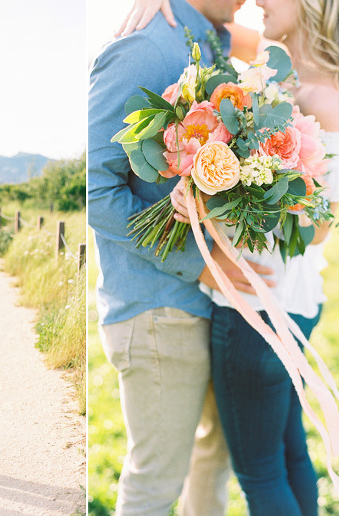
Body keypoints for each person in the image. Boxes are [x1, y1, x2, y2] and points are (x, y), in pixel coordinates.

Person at [118, 0, 339, 513]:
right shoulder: (280, 64)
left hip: (256, 303)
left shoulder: (318, 95)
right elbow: (222, 29)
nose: (256, 1)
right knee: (289, 452)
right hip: (290, 298)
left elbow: (318, 229)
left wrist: (218, 195)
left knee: (260, 471)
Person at [87, 1, 285, 514]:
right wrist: (199, 265)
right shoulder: (143, 49)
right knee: (157, 482)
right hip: (158, 309)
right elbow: (96, 193)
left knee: (210, 462)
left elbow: (281, 46)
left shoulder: (210, 32)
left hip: (209, 307)